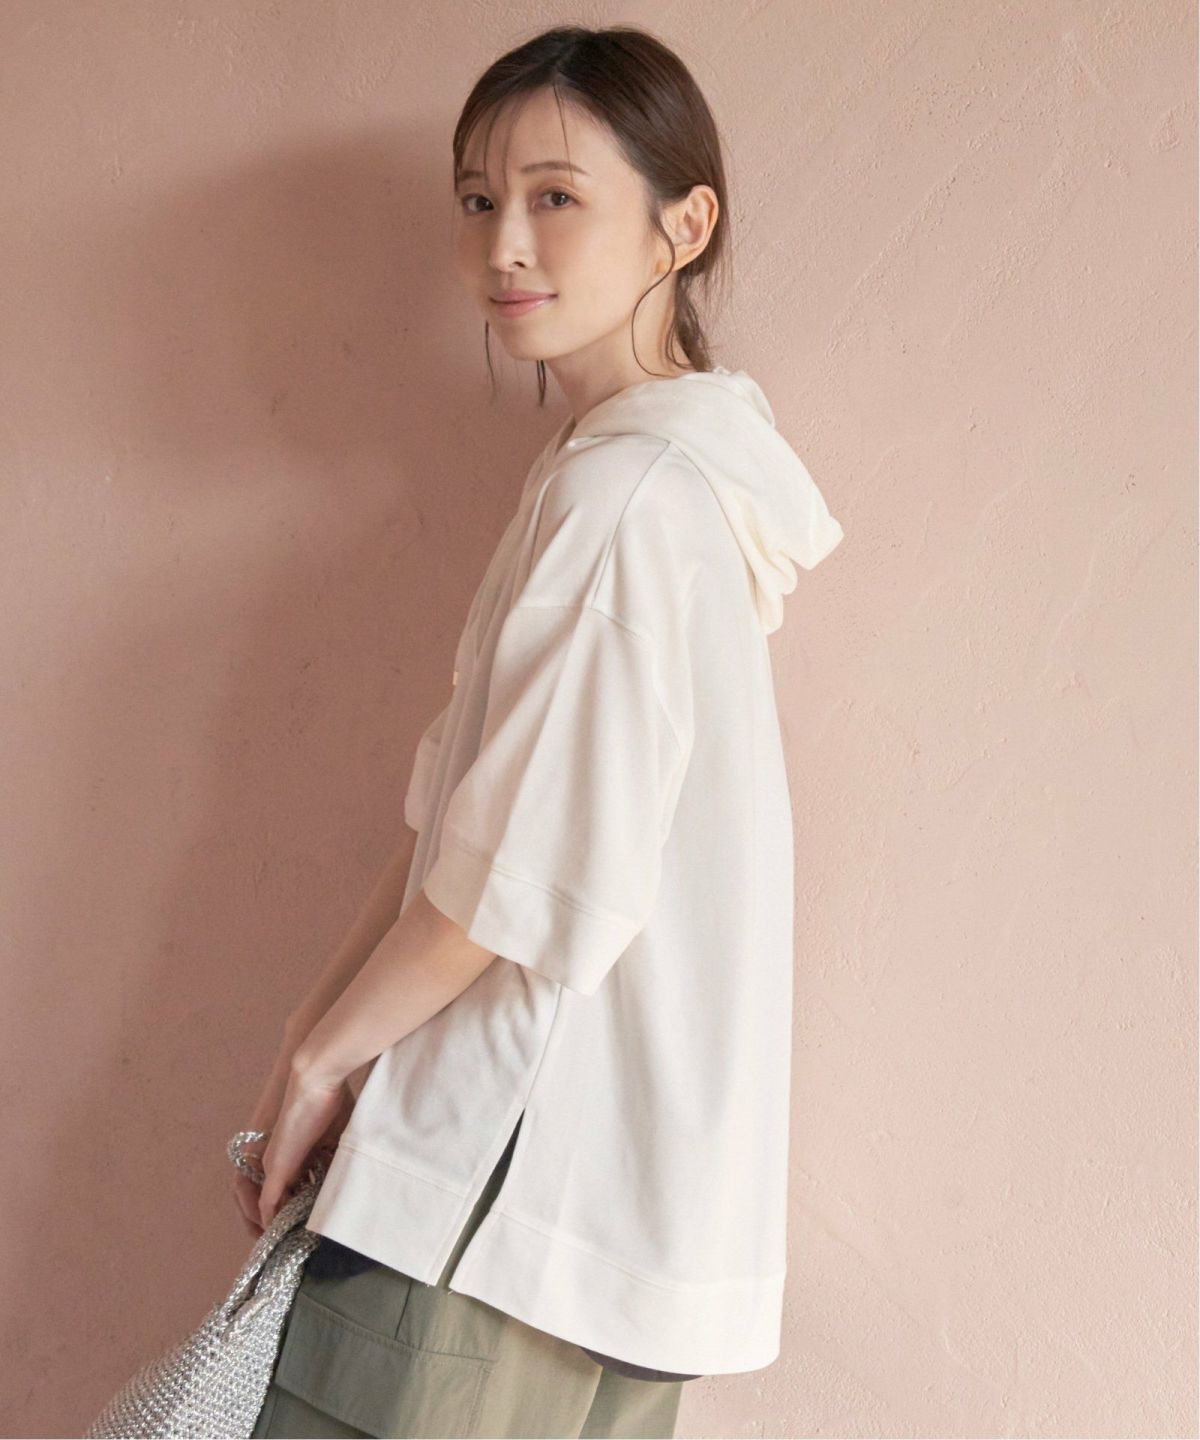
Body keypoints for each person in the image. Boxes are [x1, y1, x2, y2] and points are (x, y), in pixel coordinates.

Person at [238, 22, 844, 1440]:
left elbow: (514, 880)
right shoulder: (664, 487)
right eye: (477, 199)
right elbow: (467, 833)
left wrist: (322, 1063)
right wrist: (315, 1027)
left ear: (683, 225)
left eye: (555, 197)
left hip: (498, 1189)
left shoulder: (623, 502)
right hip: (598, 1215)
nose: (503, 244)